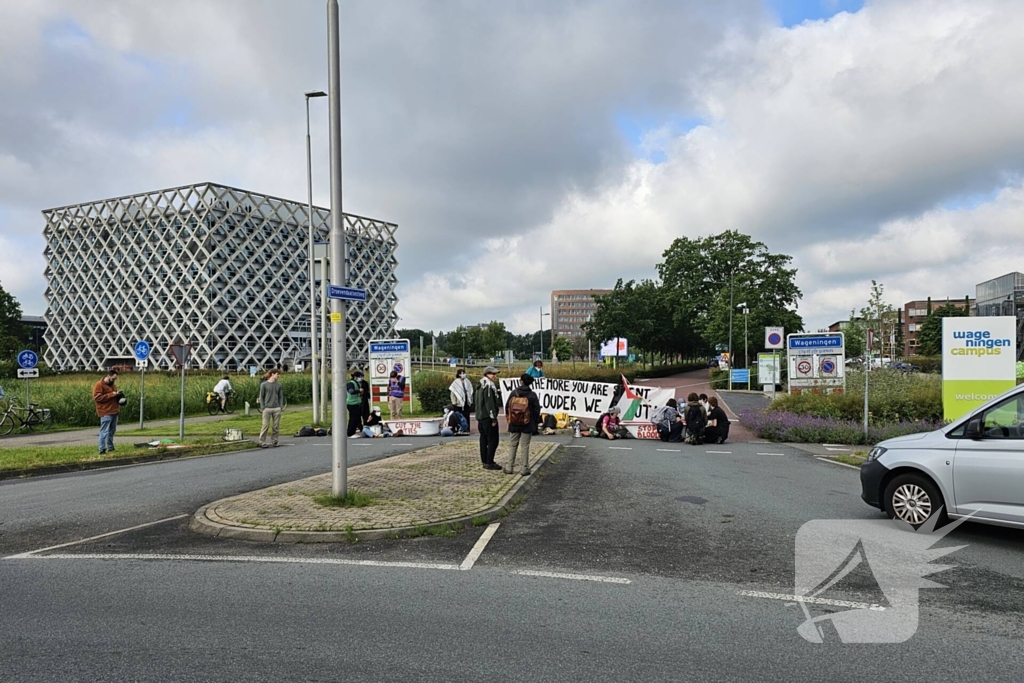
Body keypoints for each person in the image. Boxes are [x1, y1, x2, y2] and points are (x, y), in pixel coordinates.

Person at [504, 373, 542, 475]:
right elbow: (536, 411)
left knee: (513, 445)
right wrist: (535, 423)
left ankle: (509, 467)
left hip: (514, 423)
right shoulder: (532, 395)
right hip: (527, 424)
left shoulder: (513, 393)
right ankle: (524, 468)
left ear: (521, 381)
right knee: (525, 446)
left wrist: (510, 419)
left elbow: (507, 407)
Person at [474, 365, 502, 470]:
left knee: (483, 440)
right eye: (492, 374)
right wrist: (493, 418)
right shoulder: (488, 386)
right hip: (487, 417)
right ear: (487, 374)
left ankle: (485, 460)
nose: (494, 376)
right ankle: (489, 462)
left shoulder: (480, 384)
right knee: (493, 440)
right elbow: (489, 403)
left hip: (480, 416)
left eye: (495, 374)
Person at [92, 369, 124, 454]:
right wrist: (112, 394)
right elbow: (97, 398)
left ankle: (110, 447)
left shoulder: (112, 385)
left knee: (112, 431)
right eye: (113, 378)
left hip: (114, 411)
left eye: (115, 379)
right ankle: (102, 448)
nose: (114, 380)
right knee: (104, 431)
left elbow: (114, 395)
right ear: (108, 376)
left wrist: (119, 396)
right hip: (105, 411)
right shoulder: (99, 385)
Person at [258, 369, 284, 448]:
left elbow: (280, 396)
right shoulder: (264, 385)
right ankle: (262, 442)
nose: (278, 376)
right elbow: (261, 396)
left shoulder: (278, 384)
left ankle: (274, 441)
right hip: (267, 408)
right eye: (277, 374)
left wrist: (280, 406)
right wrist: (263, 407)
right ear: (272, 374)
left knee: (276, 426)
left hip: (276, 408)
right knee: (265, 425)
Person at [346, 370, 365, 437]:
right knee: (353, 418)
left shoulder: (356, 383)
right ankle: (350, 432)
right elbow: (351, 391)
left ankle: (353, 431)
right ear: (355, 377)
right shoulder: (351, 383)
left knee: (356, 418)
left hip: (356, 403)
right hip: (352, 403)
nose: (361, 378)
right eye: (360, 377)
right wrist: (358, 391)